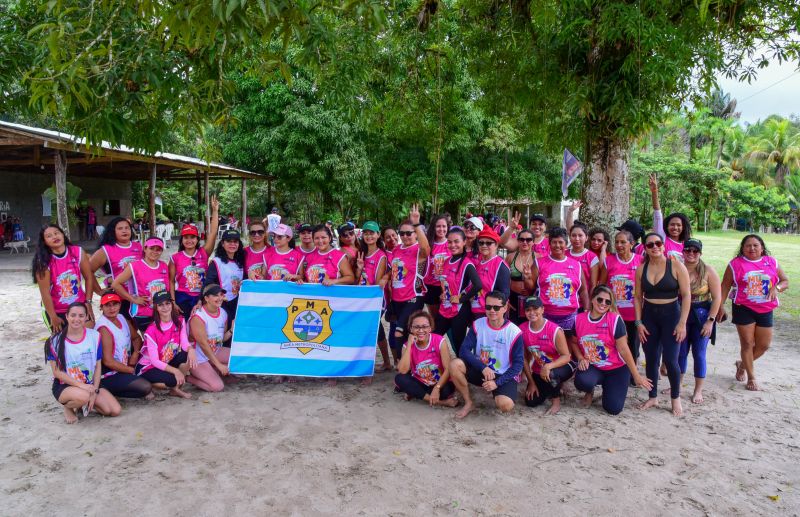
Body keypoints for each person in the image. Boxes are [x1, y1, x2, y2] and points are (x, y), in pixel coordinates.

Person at [718, 234, 788, 392]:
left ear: (762, 247)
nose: (752, 248)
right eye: (748, 245)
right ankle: (752, 377)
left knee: (763, 345)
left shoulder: (772, 262)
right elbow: (724, 286)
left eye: (756, 245)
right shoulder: (735, 264)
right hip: (743, 308)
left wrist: (776, 288)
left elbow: (785, 281)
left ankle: (741, 364)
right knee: (747, 343)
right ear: (742, 248)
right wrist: (720, 306)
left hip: (765, 308)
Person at [634, 232, 691, 416]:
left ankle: (676, 398)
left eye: (658, 243)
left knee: (670, 359)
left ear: (663, 245)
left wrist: (682, 323)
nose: (655, 247)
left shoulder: (676, 265)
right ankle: (653, 396)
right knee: (650, 358)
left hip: (671, 316)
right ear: (645, 248)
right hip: (649, 316)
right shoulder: (642, 268)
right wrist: (639, 322)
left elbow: (687, 295)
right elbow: (637, 297)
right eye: (650, 245)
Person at [574, 286, 652, 415]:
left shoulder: (614, 319)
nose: (603, 304)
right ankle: (590, 390)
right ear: (592, 299)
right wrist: (580, 357)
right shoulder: (579, 319)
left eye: (607, 301)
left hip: (616, 369)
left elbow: (624, 350)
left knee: (613, 409)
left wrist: (636, 375)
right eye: (600, 299)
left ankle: (610, 387)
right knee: (582, 381)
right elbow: (573, 342)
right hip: (594, 366)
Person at [450, 291, 524, 419]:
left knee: (505, 406)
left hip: (502, 373)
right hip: (482, 370)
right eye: (488, 307)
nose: (492, 310)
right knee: (455, 365)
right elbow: (464, 350)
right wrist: (483, 367)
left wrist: (497, 382)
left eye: (496, 307)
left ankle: (495, 391)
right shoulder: (478, 324)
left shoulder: (514, 332)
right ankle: (469, 402)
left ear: (505, 308)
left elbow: (518, 366)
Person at [44, 302, 121, 424]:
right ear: (66, 316)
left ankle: (83, 403)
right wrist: (83, 387)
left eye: (81, 316)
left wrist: (95, 390)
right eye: (73, 315)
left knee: (113, 410)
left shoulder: (95, 336)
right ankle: (68, 407)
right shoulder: (55, 341)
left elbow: (98, 366)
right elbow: (57, 372)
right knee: (84, 396)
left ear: (86, 317)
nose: (77, 319)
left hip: (89, 384)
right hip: (66, 385)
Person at [676, 239, 722, 403]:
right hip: (681, 315)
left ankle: (698, 390)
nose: (691, 253)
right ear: (683, 251)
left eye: (695, 251)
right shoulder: (677, 268)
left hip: (702, 316)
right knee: (680, 352)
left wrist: (710, 321)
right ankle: (678, 385)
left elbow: (717, 298)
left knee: (699, 353)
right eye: (688, 250)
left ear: (700, 253)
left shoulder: (708, 270)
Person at [32, 224, 95, 333]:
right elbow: (45, 293)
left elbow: (89, 278)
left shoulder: (78, 252)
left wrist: (88, 302)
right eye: (49, 236)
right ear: (44, 242)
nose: (54, 237)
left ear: (62, 234)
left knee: (86, 338)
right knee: (63, 345)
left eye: (56, 233)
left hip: (79, 305)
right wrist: (53, 316)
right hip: (57, 310)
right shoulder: (43, 261)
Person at [536, 227, 589, 349]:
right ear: (549, 244)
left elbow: (583, 290)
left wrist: (586, 311)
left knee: (569, 349)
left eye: (561, 242)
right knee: (548, 348)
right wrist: (528, 278)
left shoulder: (576, 265)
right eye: (554, 242)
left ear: (566, 245)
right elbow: (531, 288)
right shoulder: (539, 263)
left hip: (569, 317)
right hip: (546, 315)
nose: (557, 245)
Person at [520, 295, 575, 415]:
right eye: (528, 310)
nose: (532, 312)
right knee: (531, 401)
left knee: (552, 374)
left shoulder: (554, 330)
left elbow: (566, 356)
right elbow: (524, 358)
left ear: (542, 309)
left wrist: (549, 366)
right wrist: (532, 383)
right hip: (539, 369)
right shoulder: (522, 330)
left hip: (562, 365)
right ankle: (554, 388)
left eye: (535, 308)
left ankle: (556, 401)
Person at [137, 291, 195, 399]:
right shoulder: (151, 330)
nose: (165, 307)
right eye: (160, 305)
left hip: (165, 359)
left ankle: (176, 389)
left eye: (167, 303)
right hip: (148, 367)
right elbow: (154, 361)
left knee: (187, 354)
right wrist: (176, 370)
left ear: (172, 304)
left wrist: (191, 349)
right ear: (156, 308)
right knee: (172, 380)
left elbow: (184, 343)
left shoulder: (180, 321)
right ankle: (149, 382)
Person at [433, 228, 482, 354]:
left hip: (460, 311)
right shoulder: (447, 261)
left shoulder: (467, 263)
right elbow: (446, 283)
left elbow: (478, 285)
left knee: (459, 345)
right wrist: (443, 294)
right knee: (435, 338)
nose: (452, 245)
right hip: (445, 308)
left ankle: (463, 371)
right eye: (449, 242)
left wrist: (461, 298)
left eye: (456, 241)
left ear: (464, 242)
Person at [95, 292, 153, 398]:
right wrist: (131, 370)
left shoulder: (121, 317)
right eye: (108, 305)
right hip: (110, 373)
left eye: (115, 304)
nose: (112, 308)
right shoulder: (103, 328)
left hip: (125, 364)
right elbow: (108, 362)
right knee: (146, 387)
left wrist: (135, 353)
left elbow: (136, 338)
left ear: (120, 305)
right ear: (101, 307)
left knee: (151, 366)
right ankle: (109, 390)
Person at [394, 311, 458, 407]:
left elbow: (448, 369)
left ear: (430, 328)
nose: (420, 330)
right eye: (416, 327)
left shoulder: (440, 341)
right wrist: (409, 346)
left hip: (440, 382)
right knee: (399, 379)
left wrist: (437, 388)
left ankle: (419, 394)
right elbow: (403, 370)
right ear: (411, 328)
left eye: (424, 326)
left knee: (445, 392)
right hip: (421, 381)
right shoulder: (406, 346)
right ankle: (442, 403)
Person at [389, 204, 430, 350]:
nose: (405, 236)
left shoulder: (418, 250)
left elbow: (427, 250)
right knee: (406, 333)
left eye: (409, 233)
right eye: (402, 233)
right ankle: (411, 364)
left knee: (399, 332)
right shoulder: (397, 249)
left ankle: (404, 366)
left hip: (413, 297)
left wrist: (417, 223)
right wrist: (384, 278)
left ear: (415, 234)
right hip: (397, 298)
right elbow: (394, 270)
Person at [599, 230, 643, 366]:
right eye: (617, 242)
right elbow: (602, 285)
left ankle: (632, 372)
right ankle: (617, 370)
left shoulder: (640, 260)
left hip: (634, 313)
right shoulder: (609, 260)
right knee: (615, 343)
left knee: (633, 345)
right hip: (615, 313)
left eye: (623, 242)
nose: (619, 245)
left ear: (632, 244)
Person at [355, 221, 391, 372]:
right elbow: (356, 278)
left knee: (374, 328)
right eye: (366, 233)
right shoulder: (361, 253)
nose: (369, 236)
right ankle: (386, 362)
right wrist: (360, 268)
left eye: (372, 233)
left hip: (376, 299)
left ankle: (385, 362)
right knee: (376, 328)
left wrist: (364, 275)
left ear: (378, 235)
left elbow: (376, 285)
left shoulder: (381, 256)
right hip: (363, 298)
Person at [112, 237, 169, 332]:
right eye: (152, 248)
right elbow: (115, 284)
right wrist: (132, 298)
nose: (155, 252)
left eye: (158, 249)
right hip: (143, 313)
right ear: (145, 248)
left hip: (162, 312)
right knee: (150, 342)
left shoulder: (163, 266)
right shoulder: (134, 266)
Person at [90, 217, 143, 316]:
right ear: (112, 231)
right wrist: (98, 290)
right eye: (120, 228)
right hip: (118, 298)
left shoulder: (138, 246)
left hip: (138, 296)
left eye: (127, 228)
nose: (124, 231)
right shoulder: (106, 250)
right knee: (125, 329)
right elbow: (88, 271)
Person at [187, 284, 232, 392]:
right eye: (216, 296)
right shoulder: (199, 316)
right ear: (206, 298)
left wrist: (231, 330)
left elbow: (221, 340)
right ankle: (187, 378)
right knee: (217, 386)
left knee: (238, 362)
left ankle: (212, 368)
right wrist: (219, 365)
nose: (220, 298)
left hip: (215, 351)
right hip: (198, 357)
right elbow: (203, 345)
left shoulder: (223, 313)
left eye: (221, 295)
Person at [205, 229, 245, 340]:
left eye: (235, 241)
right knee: (223, 333)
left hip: (237, 302)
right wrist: (219, 296)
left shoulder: (240, 261)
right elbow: (208, 283)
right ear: (223, 243)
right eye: (229, 241)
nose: (232, 244)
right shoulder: (216, 262)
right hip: (221, 304)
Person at [649, 174, 691, 261]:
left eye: (678, 225)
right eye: (672, 224)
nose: (675, 227)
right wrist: (654, 191)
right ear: (667, 227)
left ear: (683, 227)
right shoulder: (663, 239)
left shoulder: (687, 244)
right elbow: (658, 215)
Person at [471, 227, 510, 319]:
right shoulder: (478, 262)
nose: (484, 245)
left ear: (496, 245)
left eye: (488, 243)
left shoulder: (501, 266)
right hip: (474, 310)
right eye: (481, 243)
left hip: (489, 313)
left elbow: (504, 294)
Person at [422, 214, 451, 320]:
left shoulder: (452, 243)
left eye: (444, 226)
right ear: (433, 227)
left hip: (449, 287)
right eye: (438, 226)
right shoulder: (428, 244)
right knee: (435, 319)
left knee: (448, 319)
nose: (441, 229)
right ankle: (436, 336)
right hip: (431, 287)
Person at [506, 229, 536, 324]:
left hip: (532, 299)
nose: (525, 242)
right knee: (513, 327)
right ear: (517, 241)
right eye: (521, 239)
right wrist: (505, 299)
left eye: (528, 239)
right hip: (513, 299)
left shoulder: (539, 258)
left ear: (533, 242)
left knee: (530, 328)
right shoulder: (510, 257)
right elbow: (503, 280)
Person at [568, 222, 599, 293]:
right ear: (569, 237)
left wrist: (589, 302)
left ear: (586, 238)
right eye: (573, 235)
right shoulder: (564, 254)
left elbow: (593, 285)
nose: (577, 239)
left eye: (580, 235)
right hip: (566, 298)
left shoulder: (592, 257)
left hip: (583, 299)